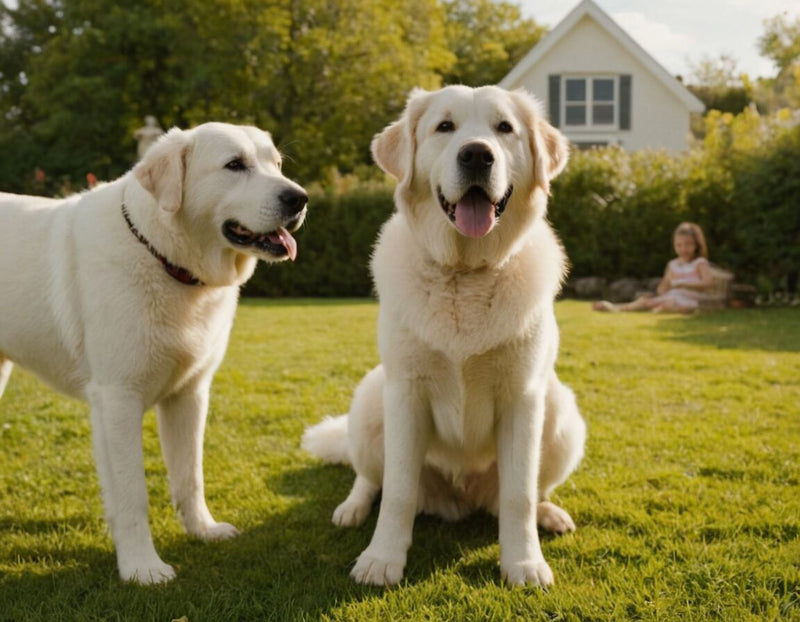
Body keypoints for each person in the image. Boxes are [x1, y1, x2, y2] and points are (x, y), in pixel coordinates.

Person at [592, 222, 713, 313]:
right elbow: (662, 289)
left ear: (696, 245)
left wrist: (683, 284)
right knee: (648, 300)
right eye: (679, 245)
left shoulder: (699, 263)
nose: (683, 249)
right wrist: (667, 286)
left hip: (691, 299)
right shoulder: (673, 265)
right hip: (672, 297)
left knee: (666, 303)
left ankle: (623, 308)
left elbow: (707, 284)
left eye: (688, 244)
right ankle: (615, 307)